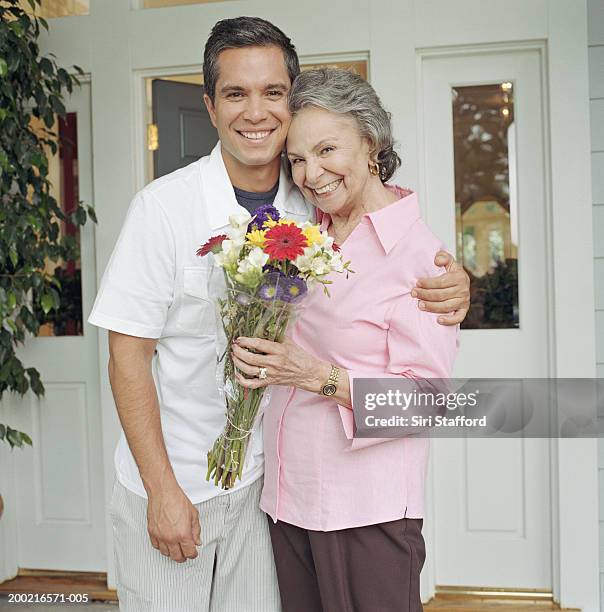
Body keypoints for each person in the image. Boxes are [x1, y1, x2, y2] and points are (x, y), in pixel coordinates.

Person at [88, 17, 469, 612]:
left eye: (273, 93)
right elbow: (125, 355)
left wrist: (454, 284)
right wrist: (161, 490)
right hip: (184, 484)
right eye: (236, 94)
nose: (256, 112)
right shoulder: (167, 209)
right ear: (210, 107)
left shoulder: (324, 206)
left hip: (276, 496)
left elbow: (430, 389)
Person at [232, 68, 459, 612]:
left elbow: (428, 403)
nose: (311, 173)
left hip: (366, 511)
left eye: (327, 149)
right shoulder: (309, 230)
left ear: (371, 144)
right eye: (298, 159)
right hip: (289, 500)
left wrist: (311, 375)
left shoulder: (419, 258)